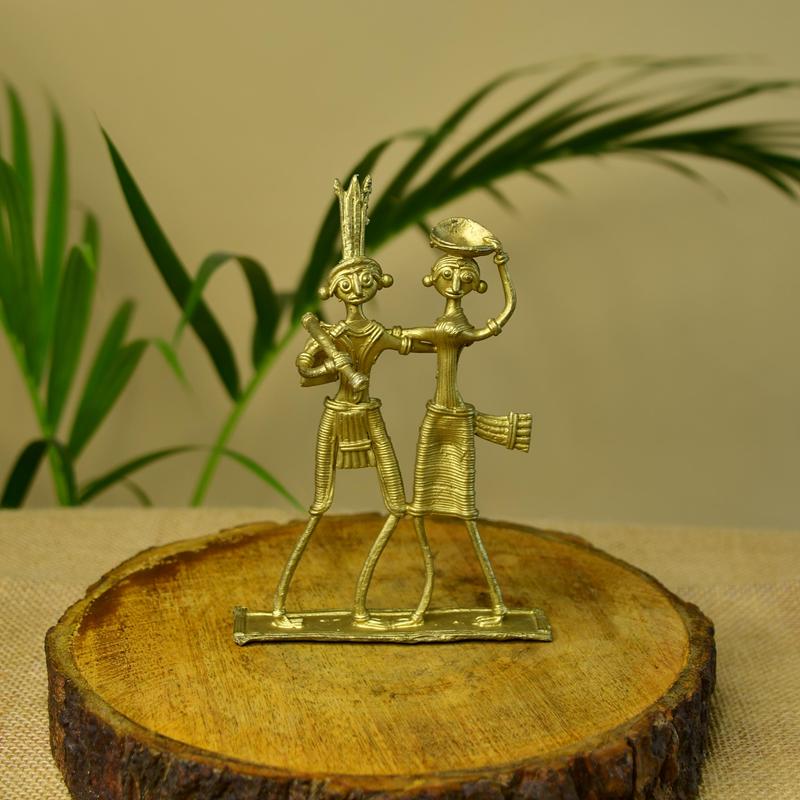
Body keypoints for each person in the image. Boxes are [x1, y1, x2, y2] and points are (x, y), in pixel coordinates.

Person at [271, 176, 433, 628]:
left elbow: (413, 341)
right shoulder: (333, 333)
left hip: (370, 417)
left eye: (364, 280)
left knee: (398, 507)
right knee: (320, 505)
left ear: (377, 283)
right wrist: (337, 366)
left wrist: (451, 338)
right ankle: (281, 605)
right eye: (348, 281)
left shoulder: (376, 334)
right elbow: (305, 370)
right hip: (336, 418)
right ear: (335, 289)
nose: (357, 289)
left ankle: (361, 604)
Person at [396, 237, 519, 627]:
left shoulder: (458, 328)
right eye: (447, 274)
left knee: (464, 515)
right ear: (431, 278)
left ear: (476, 285)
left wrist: (501, 265)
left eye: (464, 277)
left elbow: (503, 311)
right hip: (436, 417)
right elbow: (422, 339)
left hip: (454, 420)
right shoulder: (445, 326)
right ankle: (423, 603)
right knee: (418, 511)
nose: (454, 283)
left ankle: (497, 606)